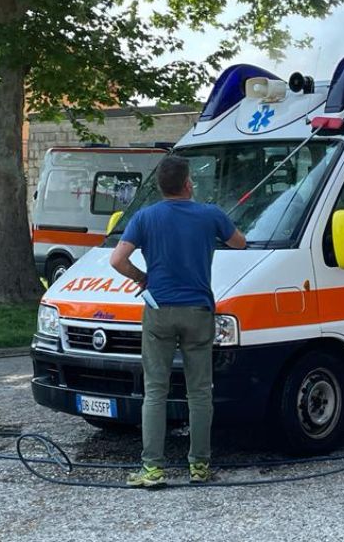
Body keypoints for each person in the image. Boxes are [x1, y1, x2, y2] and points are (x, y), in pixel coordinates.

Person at [110, 155, 246, 487]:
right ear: (188, 184)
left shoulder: (145, 217)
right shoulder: (209, 214)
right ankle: (199, 466)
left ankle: (152, 470)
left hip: (159, 310)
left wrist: (142, 277)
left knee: (155, 390)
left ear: (160, 186)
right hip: (198, 310)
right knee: (199, 392)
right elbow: (240, 242)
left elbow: (117, 260)